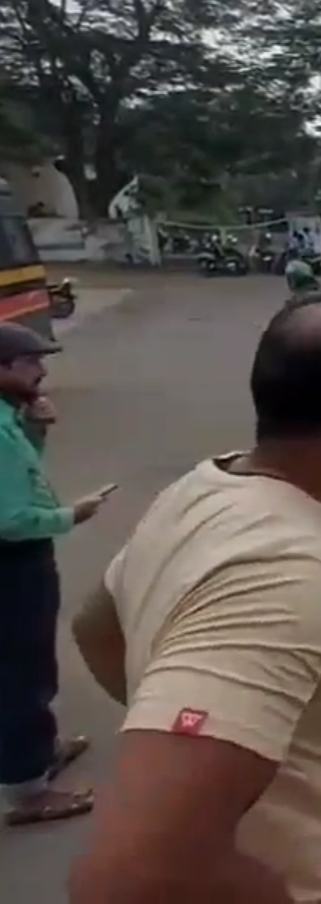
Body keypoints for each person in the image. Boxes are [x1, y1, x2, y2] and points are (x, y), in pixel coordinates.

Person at [67, 292, 321, 900]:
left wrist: (228, 733)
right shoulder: (282, 571)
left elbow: (97, 628)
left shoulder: (207, 490)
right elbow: (131, 875)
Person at [0, 323, 110, 826]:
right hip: (12, 562)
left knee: (31, 662)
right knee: (21, 671)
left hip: (19, 559)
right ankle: (27, 791)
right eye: (30, 362)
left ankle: (38, 754)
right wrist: (74, 515)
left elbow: (19, 476)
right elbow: (11, 518)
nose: (42, 370)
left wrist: (34, 430)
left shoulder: (7, 417)